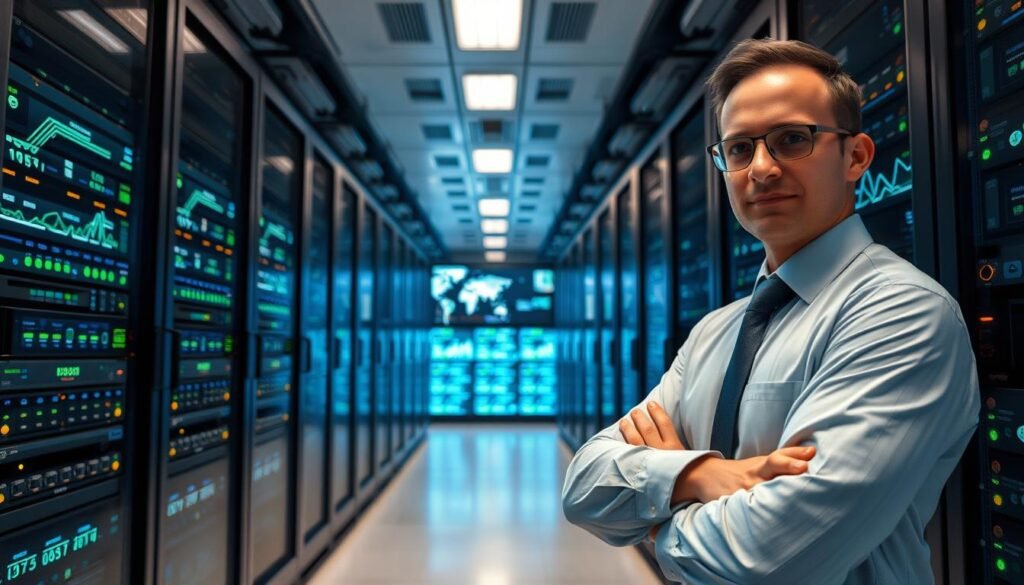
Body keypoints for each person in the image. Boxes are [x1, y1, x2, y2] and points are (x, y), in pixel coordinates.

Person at [560, 38, 979, 584]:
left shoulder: (901, 313)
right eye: (738, 149)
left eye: (791, 140)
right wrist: (703, 474)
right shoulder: (717, 330)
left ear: (856, 157)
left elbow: (765, 563)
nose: (760, 168)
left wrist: (660, 519)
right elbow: (583, 486)